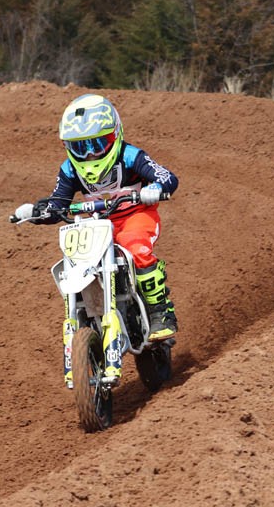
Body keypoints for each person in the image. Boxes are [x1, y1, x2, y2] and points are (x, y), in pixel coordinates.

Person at [14, 93, 179, 341]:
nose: (90, 154)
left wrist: (155, 188)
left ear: (114, 136)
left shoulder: (130, 156)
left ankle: (160, 314)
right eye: (81, 147)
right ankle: (88, 316)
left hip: (136, 216)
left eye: (97, 144)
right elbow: (58, 204)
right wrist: (37, 212)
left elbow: (166, 177)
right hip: (98, 225)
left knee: (136, 248)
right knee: (78, 261)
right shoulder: (70, 169)